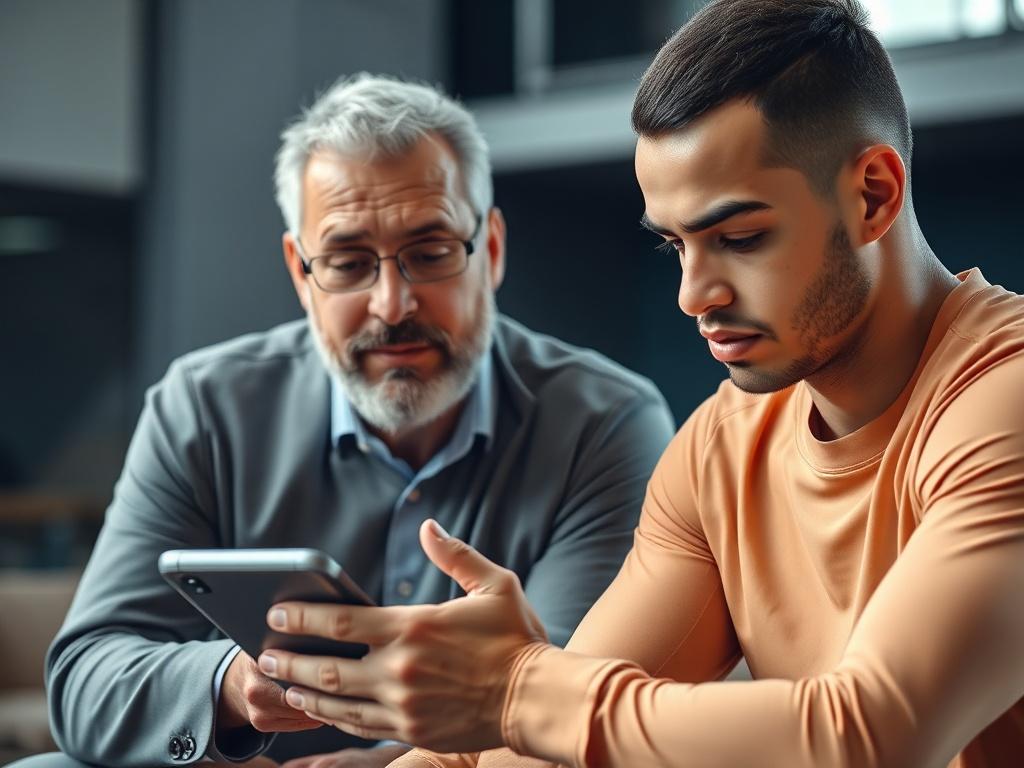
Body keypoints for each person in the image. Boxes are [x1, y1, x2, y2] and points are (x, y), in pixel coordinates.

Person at [246, 2, 1024, 766]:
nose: (695, 295)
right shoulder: (720, 447)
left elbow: (870, 735)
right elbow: (559, 739)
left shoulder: (1003, 398)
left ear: (873, 194)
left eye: (739, 238)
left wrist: (515, 690)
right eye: (675, 246)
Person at [36, 74, 675, 768]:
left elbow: (575, 691)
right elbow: (83, 680)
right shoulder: (202, 407)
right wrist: (233, 683)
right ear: (300, 272)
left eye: (429, 253)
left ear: (488, 251)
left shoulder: (605, 422)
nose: (392, 304)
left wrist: (384, 765)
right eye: (346, 262)